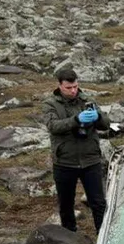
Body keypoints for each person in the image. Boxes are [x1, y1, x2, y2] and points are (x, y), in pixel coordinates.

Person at [42, 68, 111, 232]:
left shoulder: (87, 100)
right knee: (66, 205)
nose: (73, 91)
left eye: (75, 86)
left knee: (99, 203)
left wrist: (98, 117)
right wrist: (76, 120)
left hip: (91, 159)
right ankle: (70, 240)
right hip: (65, 162)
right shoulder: (50, 104)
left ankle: (103, 239)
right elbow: (53, 126)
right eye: (68, 88)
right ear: (59, 85)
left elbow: (106, 124)